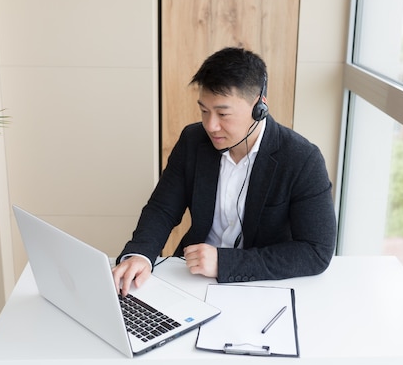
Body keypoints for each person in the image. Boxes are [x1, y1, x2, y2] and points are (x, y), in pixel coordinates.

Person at [112, 47, 336, 296]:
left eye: (223, 113)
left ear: (259, 106)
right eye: (204, 111)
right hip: (191, 278)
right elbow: (162, 208)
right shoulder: (193, 140)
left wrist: (225, 262)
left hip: (262, 285)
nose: (211, 126)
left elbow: (317, 251)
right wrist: (140, 254)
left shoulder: (302, 159)